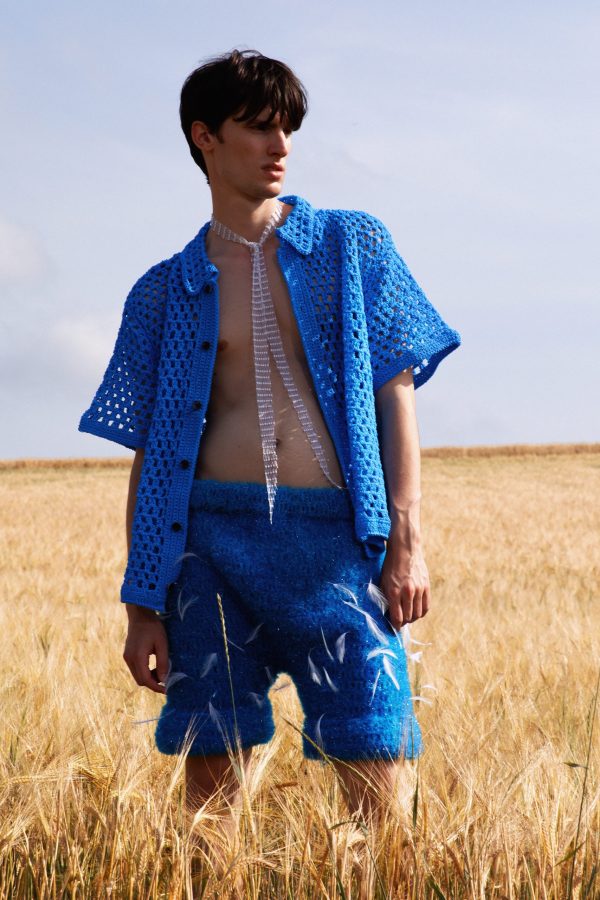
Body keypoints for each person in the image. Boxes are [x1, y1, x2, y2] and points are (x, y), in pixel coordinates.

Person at [78, 47, 461, 846]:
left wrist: (408, 542)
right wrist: (141, 604)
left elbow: (396, 394)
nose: (280, 145)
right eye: (257, 127)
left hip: (337, 549)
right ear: (205, 137)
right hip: (208, 551)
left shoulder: (354, 247)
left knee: (379, 766)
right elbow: (151, 457)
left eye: (287, 127)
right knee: (210, 790)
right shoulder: (162, 292)